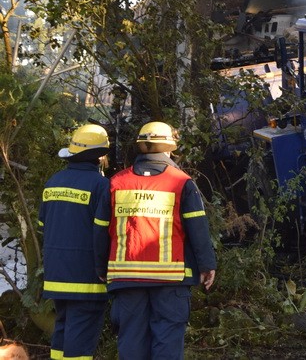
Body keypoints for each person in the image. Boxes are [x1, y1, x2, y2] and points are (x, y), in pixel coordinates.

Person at [94, 121, 216, 360]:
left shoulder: (116, 183)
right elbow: (198, 229)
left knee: (130, 340)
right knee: (168, 340)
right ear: (170, 148)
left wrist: (100, 267)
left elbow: (100, 229)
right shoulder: (182, 182)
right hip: (170, 280)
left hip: (126, 278)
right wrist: (207, 265)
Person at [38, 123, 111, 360]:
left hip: (56, 274)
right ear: (99, 156)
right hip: (86, 278)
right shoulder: (101, 186)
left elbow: (43, 226)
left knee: (63, 329)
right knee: (81, 339)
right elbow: (104, 231)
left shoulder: (53, 181)